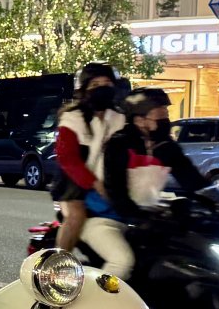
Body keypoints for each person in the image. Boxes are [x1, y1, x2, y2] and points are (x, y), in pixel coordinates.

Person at [81, 88, 207, 281]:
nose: (166, 119)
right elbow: (116, 191)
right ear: (140, 120)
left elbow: (193, 181)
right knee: (122, 261)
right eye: (160, 114)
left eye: (166, 113)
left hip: (144, 222)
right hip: (104, 218)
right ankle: (98, 304)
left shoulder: (166, 147)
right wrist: (137, 216)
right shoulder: (119, 144)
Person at [51, 63, 124, 252]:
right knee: (76, 216)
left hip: (107, 181)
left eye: (107, 83)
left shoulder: (119, 119)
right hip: (73, 185)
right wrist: (96, 184)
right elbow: (68, 160)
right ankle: (59, 263)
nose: (102, 88)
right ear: (84, 90)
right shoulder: (72, 118)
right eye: (95, 84)